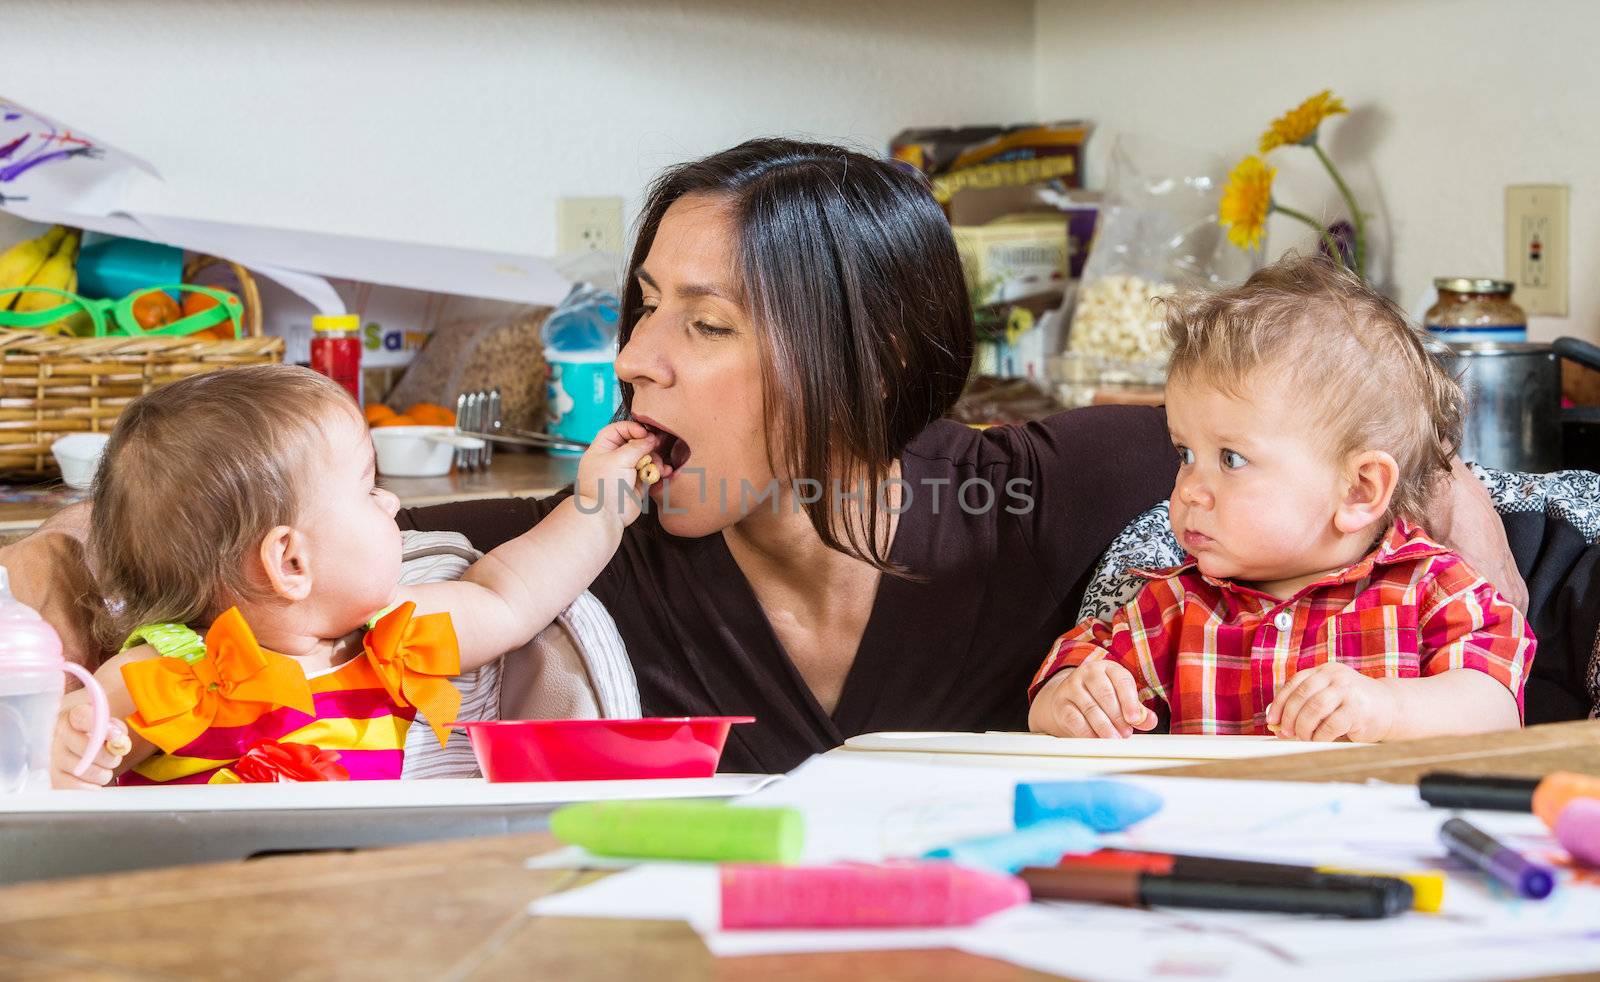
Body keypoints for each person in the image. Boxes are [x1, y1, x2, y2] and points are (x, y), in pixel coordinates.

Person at [391, 139, 1532, 772]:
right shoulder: (580, 553)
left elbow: (1391, 463)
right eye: (645, 307)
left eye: (705, 321)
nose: (637, 358)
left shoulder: (1038, 492)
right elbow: (332, 566)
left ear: (873, 358)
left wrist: (1480, 638)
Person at [49, 364, 657, 787]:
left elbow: (512, 594)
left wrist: (598, 507)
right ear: (291, 562)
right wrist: (68, 749)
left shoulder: (396, 632)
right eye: (370, 489)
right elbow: (47, 759)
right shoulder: (167, 676)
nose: (393, 504)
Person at [1028, 256, 1532, 742]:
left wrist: (1388, 710)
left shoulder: (1436, 591)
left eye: (1231, 459)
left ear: (1359, 489)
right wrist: (1073, 699)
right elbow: (1068, 676)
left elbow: (1495, 709)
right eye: (1185, 453)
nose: (1187, 490)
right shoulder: (1177, 605)